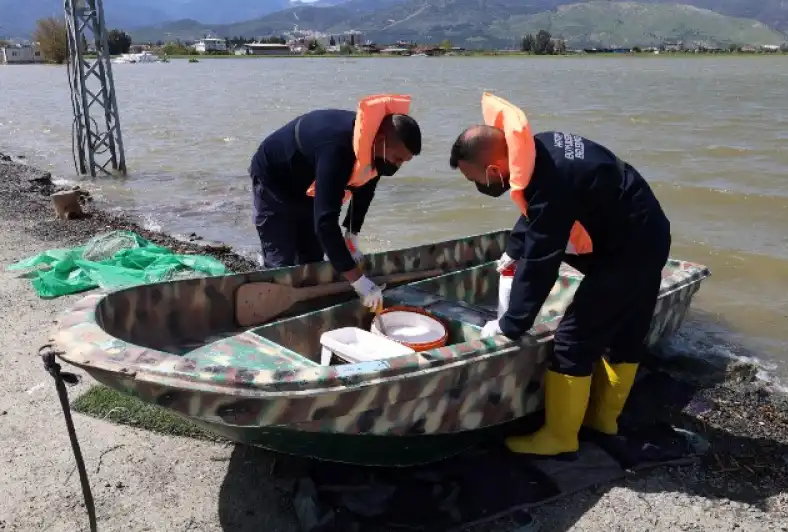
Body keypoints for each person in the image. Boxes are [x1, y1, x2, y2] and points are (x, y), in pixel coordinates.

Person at [448, 92, 671, 459]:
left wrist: (511, 325)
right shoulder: (542, 148)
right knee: (626, 332)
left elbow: (542, 260)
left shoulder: (552, 180)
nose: (480, 187)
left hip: (626, 252)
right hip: (649, 236)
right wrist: (512, 248)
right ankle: (603, 421)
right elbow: (534, 211)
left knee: (572, 341)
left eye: (477, 180)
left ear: (492, 170)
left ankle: (560, 436)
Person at [249, 94, 422, 311]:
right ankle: (273, 297)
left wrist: (352, 235)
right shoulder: (337, 149)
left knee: (312, 259)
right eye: (398, 159)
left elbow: (365, 188)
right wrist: (358, 280)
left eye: (404, 162)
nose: (398, 166)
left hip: (308, 182)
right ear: (380, 141)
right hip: (274, 181)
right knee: (282, 263)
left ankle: (308, 306)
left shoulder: (374, 148)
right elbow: (325, 223)